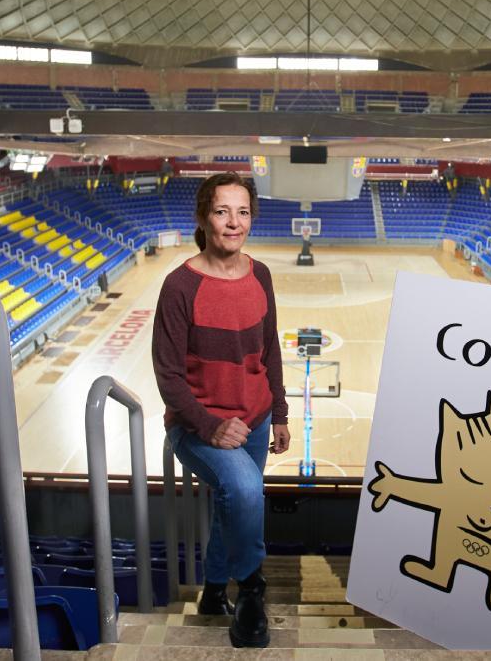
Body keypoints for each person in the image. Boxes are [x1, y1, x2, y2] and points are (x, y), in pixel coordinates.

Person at [152, 172, 290, 648]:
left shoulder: (261, 275)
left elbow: (268, 349)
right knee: (248, 492)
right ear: (204, 217)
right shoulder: (179, 287)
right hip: (197, 427)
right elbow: (168, 377)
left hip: (255, 420)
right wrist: (209, 426)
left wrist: (282, 412)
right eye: (222, 211)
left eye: (243, 212)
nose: (234, 223)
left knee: (231, 507)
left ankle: (213, 592)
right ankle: (251, 593)